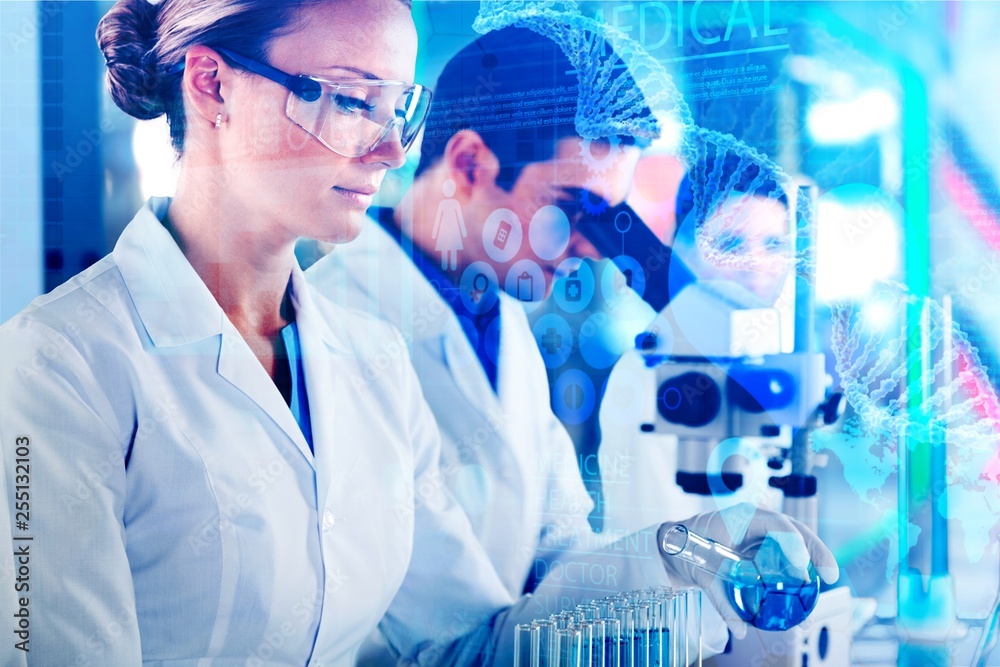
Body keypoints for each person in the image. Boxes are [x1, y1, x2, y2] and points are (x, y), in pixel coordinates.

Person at [0, 1, 556, 663]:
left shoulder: (374, 357)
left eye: (397, 107)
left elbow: (466, 639)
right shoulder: (58, 365)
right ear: (212, 85)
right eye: (353, 100)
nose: (389, 150)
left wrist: (678, 560)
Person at [306, 24, 837, 662]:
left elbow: (558, 557)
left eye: (605, 217)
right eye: (571, 205)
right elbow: (450, 649)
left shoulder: (498, 314)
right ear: (472, 164)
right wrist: (673, 626)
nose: (591, 248)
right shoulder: (337, 331)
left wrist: (684, 551)